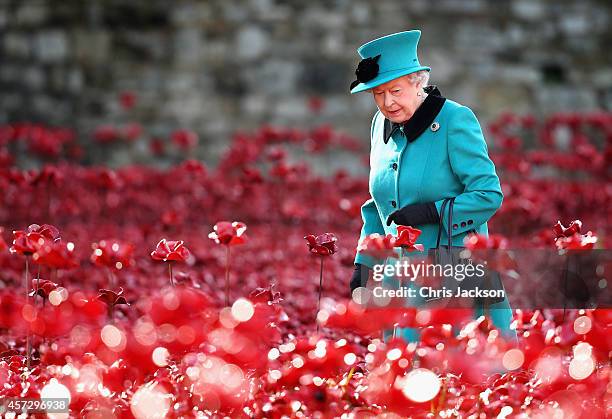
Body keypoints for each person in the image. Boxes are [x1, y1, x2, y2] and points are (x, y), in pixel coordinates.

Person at [348, 30, 515, 342]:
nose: (387, 102)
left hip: (451, 273)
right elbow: (378, 205)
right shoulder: (378, 125)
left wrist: (433, 212)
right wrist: (364, 263)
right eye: (378, 94)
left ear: (417, 81)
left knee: (456, 376)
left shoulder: (455, 120)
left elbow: (489, 194)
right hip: (398, 279)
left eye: (395, 90)